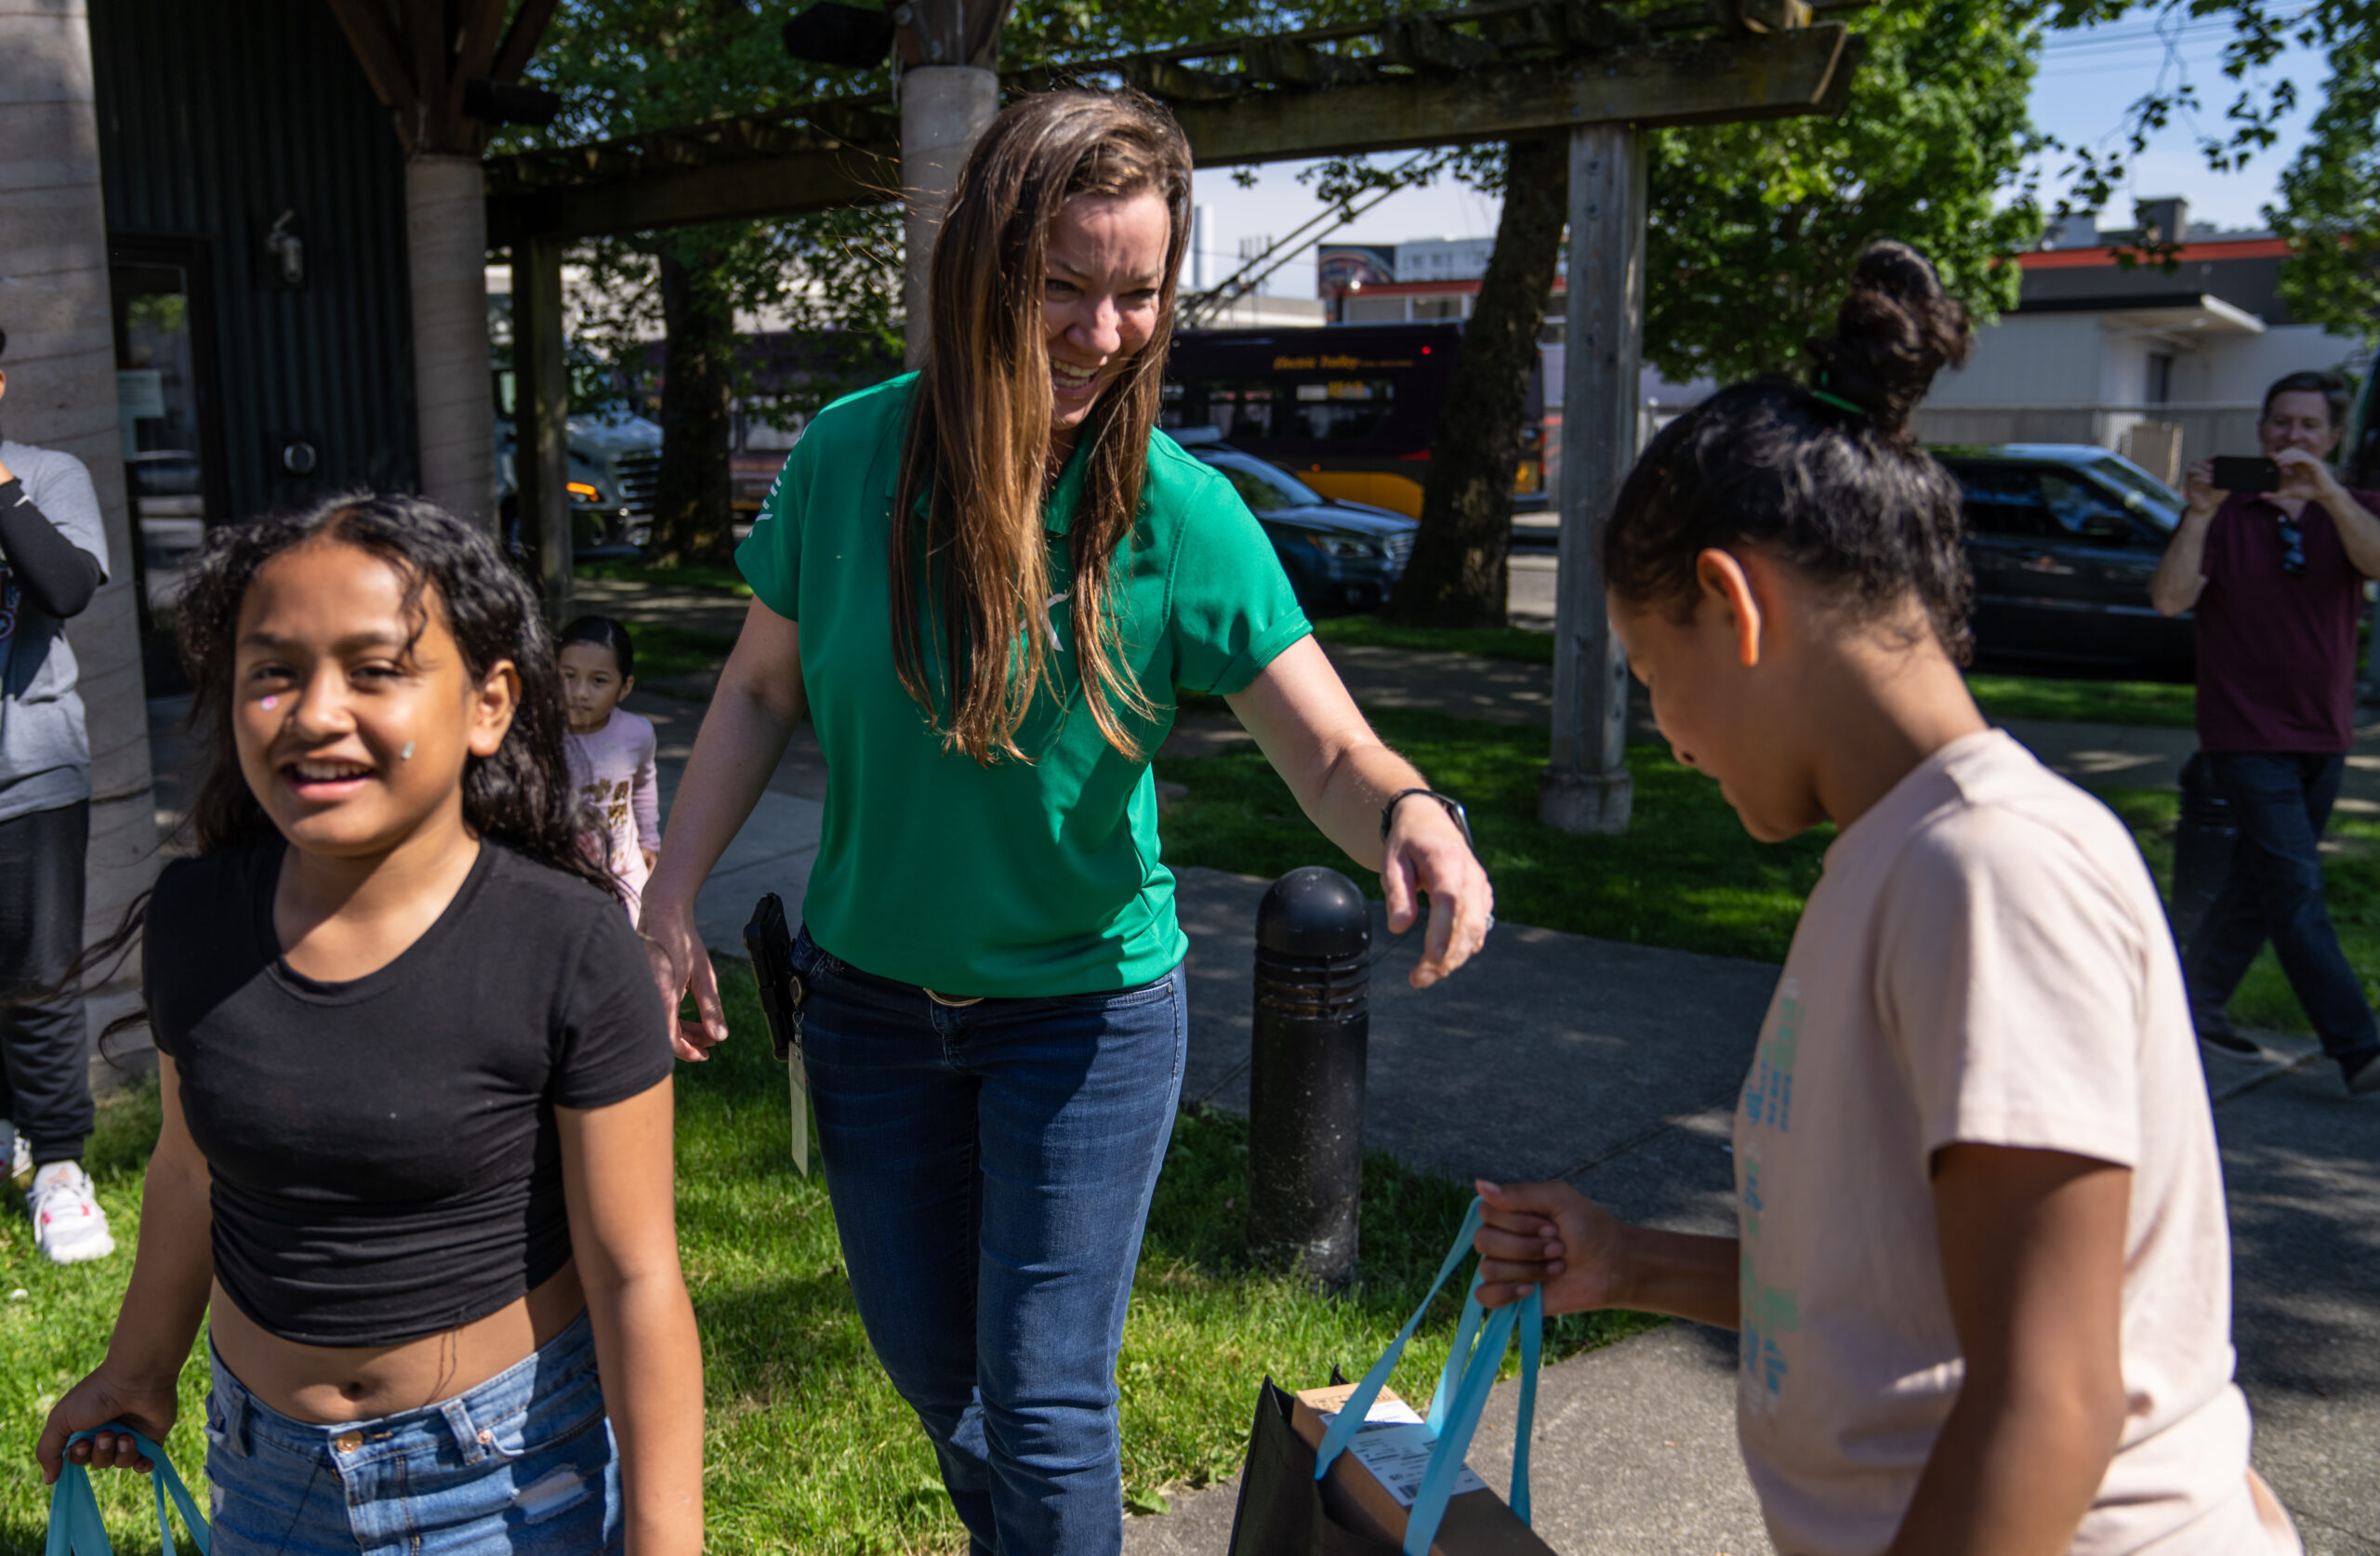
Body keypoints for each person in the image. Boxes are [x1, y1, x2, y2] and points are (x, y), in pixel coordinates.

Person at [642, 89, 1493, 1556]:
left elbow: (1328, 741)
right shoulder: (850, 458)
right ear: (982, 268)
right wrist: (669, 894)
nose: (1104, 333)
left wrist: (1410, 808)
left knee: (1042, 1402)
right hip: (867, 1010)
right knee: (938, 1376)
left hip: (1086, 1018)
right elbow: (760, 690)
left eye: (1138, 293)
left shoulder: (1182, 511)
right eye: (1063, 286)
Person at [1472, 244, 2297, 1555]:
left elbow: (2053, 1396)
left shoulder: (1991, 870)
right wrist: (1631, 1260)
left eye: (1648, 670)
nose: (1670, 735)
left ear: (1734, 607)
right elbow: (1890, 1294)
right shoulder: (1899, 857)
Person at [36, 495, 704, 1555]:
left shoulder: (571, 951)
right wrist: (135, 1372)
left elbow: (634, 1275)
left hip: (508, 1483)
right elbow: (186, 1171)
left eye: (374, 669)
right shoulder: (199, 917)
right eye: (273, 671)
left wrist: (665, 1542)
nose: (314, 710)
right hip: (264, 1478)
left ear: (488, 705)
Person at [2149, 371, 2380, 1094]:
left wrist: (2331, 496)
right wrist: (2198, 514)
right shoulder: (2224, 514)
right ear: (2261, 430)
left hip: (2323, 734)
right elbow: (2168, 600)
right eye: (2281, 424)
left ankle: (2188, 1006)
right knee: (2294, 892)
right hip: (2244, 733)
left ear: (2334, 437)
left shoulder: (2354, 511)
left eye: (2310, 426)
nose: (2293, 438)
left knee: (2258, 883)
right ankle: (2362, 1049)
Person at [0, 325, 115, 1264]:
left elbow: (66, 588)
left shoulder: (46, 474)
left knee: (38, 978)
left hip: (28, 773)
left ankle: (61, 1170)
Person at [559, 614, 661, 924]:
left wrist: (649, 840)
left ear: (625, 687)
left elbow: (643, 786)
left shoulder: (637, 733)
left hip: (623, 871)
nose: (580, 692)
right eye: (569, 675)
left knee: (628, 947)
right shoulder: (539, 735)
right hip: (560, 873)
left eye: (598, 680)